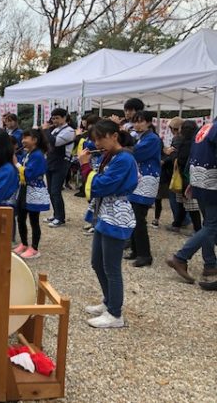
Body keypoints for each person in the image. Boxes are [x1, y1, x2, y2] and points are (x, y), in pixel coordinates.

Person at [79, 119, 138, 328]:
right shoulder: (110, 156)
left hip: (117, 214)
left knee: (112, 267)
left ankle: (115, 314)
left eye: (101, 138)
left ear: (114, 135)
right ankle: (108, 302)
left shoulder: (124, 159)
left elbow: (102, 186)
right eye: (95, 140)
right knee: (97, 262)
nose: (98, 144)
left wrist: (85, 166)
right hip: (106, 212)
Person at [166, 117, 217, 286]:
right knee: (212, 225)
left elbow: (191, 156)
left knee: (209, 225)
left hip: (199, 180)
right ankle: (181, 257)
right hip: (212, 183)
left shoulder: (206, 128)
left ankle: (210, 264)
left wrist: (191, 181)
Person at [126, 111, 161, 268]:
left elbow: (138, 154)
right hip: (139, 179)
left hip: (147, 180)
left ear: (148, 122)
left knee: (139, 217)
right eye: (135, 121)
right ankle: (136, 250)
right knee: (134, 216)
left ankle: (145, 254)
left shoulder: (152, 139)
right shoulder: (141, 137)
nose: (137, 124)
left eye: (140, 121)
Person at [13, 129, 50, 259]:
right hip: (25, 189)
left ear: (34, 140)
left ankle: (34, 248)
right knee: (21, 218)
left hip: (33, 189)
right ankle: (23, 243)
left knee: (34, 220)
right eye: (23, 138)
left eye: (26, 138)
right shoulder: (28, 153)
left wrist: (16, 163)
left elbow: (29, 174)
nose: (23, 140)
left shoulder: (38, 155)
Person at [43, 108, 75, 227]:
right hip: (51, 160)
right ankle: (55, 214)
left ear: (64, 118)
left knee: (56, 191)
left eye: (57, 118)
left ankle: (60, 218)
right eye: (53, 118)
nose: (55, 120)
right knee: (50, 190)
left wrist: (46, 130)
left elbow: (55, 142)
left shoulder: (69, 131)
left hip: (61, 162)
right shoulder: (55, 129)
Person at [169, 121, 202, 233]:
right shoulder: (197, 141)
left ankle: (198, 230)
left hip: (186, 178)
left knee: (191, 206)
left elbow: (181, 160)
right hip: (194, 176)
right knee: (185, 204)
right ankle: (177, 224)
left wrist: (173, 154)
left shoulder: (186, 143)